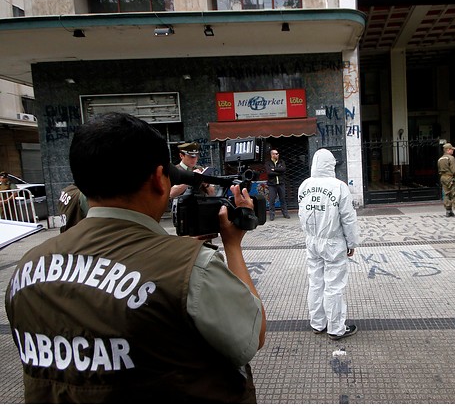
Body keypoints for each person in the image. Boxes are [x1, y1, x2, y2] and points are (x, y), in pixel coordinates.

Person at [4, 112, 266, 403]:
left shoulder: (27, 266)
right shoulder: (190, 268)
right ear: (158, 179)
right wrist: (232, 245)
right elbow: (251, 338)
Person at [298, 148, 359, 340]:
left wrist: (309, 235)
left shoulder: (304, 185)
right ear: (331, 165)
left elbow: (301, 214)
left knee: (315, 283)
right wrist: (351, 242)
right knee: (334, 286)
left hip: (313, 241)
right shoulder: (339, 187)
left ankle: (317, 323)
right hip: (333, 242)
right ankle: (336, 328)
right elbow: (348, 218)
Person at [265, 148, 290, 220]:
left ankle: (285, 213)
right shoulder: (268, 163)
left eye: (278, 153)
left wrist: (274, 169)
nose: (278, 155)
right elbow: (269, 173)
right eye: (276, 154)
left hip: (281, 183)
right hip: (272, 184)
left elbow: (284, 169)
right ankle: (272, 215)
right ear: (272, 155)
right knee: (272, 199)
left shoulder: (281, 162)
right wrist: (279, 172)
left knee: (283, 199)